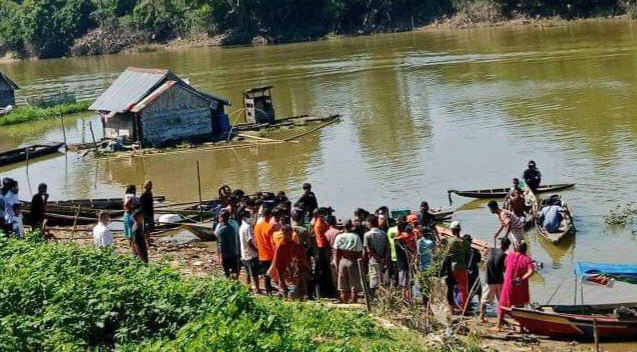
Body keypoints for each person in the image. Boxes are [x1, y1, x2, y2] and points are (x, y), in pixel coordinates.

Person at [496, 241, 534, 331]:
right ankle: (520, 327)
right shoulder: (527, 259)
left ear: (517, 248)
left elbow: (505, 267)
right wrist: (522, 278)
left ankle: (498, 325)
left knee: (503, 304)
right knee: (520, 307)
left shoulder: (510, 256)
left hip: (508, 285)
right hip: (520, 287)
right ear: (525, 249)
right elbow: (531, 271)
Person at [271, 225, 309, 300]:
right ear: (284, 234)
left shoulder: (293, 244)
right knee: (288, 289)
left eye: (291, 234)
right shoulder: (280, 246)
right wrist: (281, 279)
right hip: (283, 272)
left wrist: (305, 263)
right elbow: (277, 264)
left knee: (292, 289)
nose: (291, 236)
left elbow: (300, 255)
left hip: (291, 271)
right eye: (289, 234)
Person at [480, 237, 511, 322]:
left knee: (484, 299)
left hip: (489, 279)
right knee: (502, 300)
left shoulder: (490, 250)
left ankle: (481, 317)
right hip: (499, 280)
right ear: (507, 247)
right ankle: (501, 318)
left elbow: (484, 256)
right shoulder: (505, 256)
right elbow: (505, 270)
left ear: (500, 244)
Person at [333, 220, 363, 303]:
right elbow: (360, 252)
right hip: (353, 261)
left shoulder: (339, 237)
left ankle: (345, 302)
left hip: (342, 260)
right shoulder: (355, 237)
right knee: (354, 285)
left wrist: (336, 264)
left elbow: (336, 252)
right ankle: (354, 303)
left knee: (343, 285)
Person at [447, 221, 470, 313]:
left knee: (451, 288)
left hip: (453, 268)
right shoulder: (465, 242)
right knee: (463, 289)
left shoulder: (451, 242)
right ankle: (464, 308)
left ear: (452, 230)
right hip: (463, 267)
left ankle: (451, 308)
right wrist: (465, 264)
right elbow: (468, 255)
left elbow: (447, 255)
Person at [363, 215, 387, 296]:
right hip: (383, 260)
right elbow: (387, 248)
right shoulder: (383, 233)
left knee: (374, 280)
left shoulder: (367, 235)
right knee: (382, 280)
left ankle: (375, 299)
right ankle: (383, 298)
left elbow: (368, 250)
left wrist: (377, 259)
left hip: (373, 260)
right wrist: (384, 259)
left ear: (370, 223)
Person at [313, 209, 335, 298]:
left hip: (323, 249)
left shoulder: (322, 223)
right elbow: (322, 242)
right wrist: (327, 253)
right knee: (323, 271)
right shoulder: (319, 225)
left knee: (325, 272)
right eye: (324, 214)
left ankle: (325, 291)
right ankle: (323, 292)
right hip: (321, 249)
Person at [254, 208, 276, 294]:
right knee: (270, 272)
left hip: (261, 253)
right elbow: (272, 242)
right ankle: (269, 289)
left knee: (265, 272)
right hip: (270, 253)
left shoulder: (256, 226)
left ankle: (268, 289)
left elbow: (256, 240)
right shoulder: (270, 227)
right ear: (269, 215)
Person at [238, 209, 260, 293]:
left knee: (248, 273)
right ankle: (257, 289)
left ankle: (248, 287)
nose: (251, 217)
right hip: (251, 254)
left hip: (244, 254)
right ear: (244, 217)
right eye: (249, 216)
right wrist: (257, 250)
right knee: (254, 274)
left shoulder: (241, 227)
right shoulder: (247, 227)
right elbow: (250, 242)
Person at [215, 211, 240, 280]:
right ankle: (234, 282)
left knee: (227, 271)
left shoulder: (221, 230)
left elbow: (220, 244)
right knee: (234, 270)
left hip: (226, 254)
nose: (219, 217)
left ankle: (229, 282)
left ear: (222, 218)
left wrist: (220, 257)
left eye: (220, 216)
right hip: (233, 252)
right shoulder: (232, 228)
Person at [464, 234, 482, 306]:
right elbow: (479, 261)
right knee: (479, 290)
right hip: (474, 274)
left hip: (466, 274)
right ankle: (481, 307)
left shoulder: (462, 252)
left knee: (467, 290)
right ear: (471, 242)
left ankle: (466, 305)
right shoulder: (476, 251)